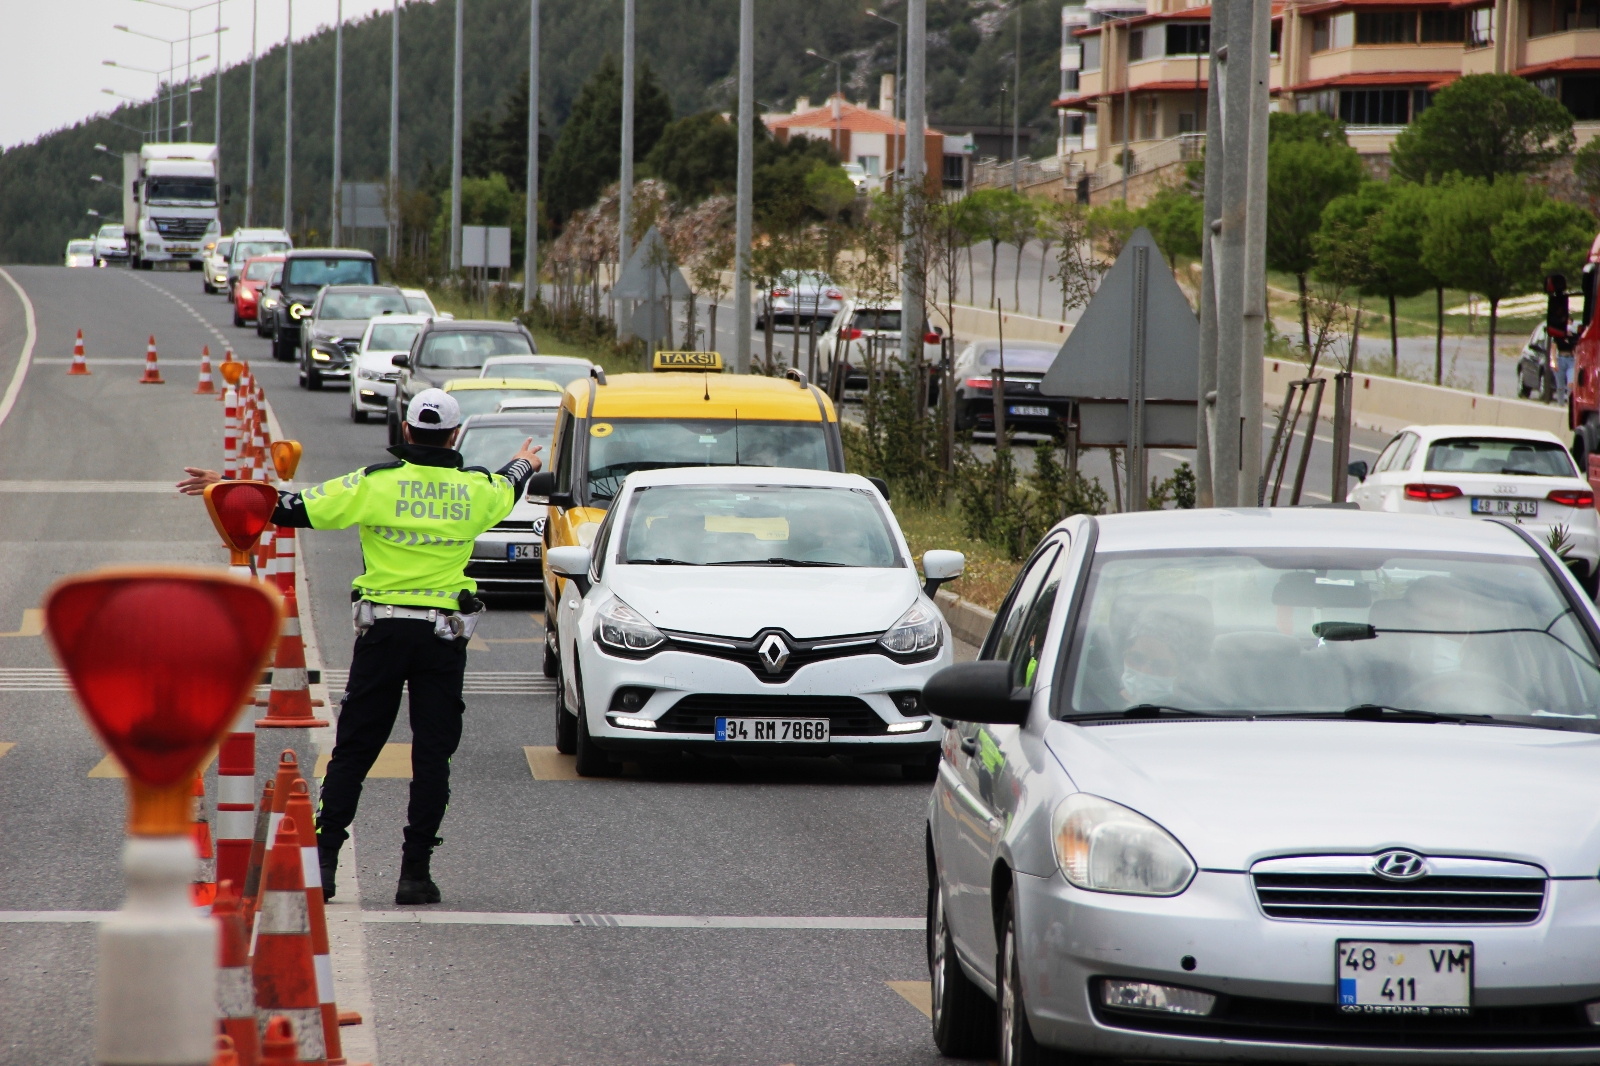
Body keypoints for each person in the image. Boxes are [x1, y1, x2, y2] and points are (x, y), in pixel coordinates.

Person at [178, 389, 541, 906]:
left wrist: (226, 486)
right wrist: (523, 462)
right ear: (455, 436)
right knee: (432, 756)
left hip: (384, 634)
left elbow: (291, 509)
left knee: (353, 751)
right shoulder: (474, 490)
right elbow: (508, 485)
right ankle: (415, 873)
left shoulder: (376, 484)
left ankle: (324, 866)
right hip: (443, 639)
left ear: (407, 432)